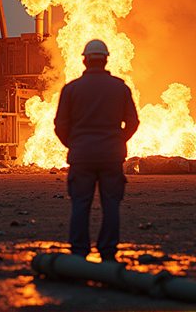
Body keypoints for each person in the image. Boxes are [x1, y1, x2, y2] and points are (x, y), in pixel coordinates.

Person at [54, 40, 139, 260]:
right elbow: (133, 122)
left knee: (80, 204)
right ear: (106, 59)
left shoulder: (71, 89)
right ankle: (108, 251)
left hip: (81, 157)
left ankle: (79, 251)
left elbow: (61, 125)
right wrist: (117, 140)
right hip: (111, 156)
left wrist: (75, 144)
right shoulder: (120, 87)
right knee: (111, 204)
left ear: (84, 59)